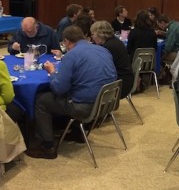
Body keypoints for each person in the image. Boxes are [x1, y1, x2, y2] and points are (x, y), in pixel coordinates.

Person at [25, 25, 117, 159]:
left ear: (67, 41)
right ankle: (76, 131)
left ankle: (47, 146)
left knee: (41, 100)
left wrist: (52, 72)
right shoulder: (103, 50)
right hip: (106, 103)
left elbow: (58, 88)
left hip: (85, 106)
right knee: (77, 88)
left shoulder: (71, 55)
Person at [90, 20, 134, 98]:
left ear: (100, 34)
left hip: (120, 84)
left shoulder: (108, 47)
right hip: (125, 79)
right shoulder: (114, 41)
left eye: (92, 34)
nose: (92, 37)